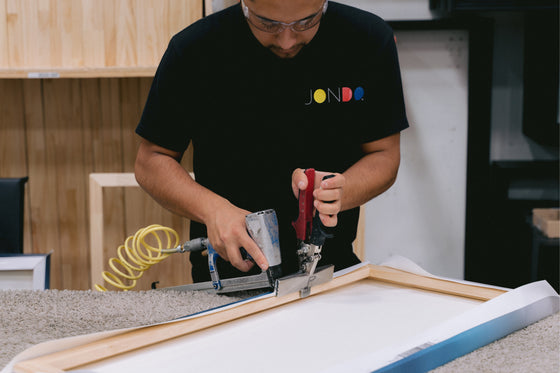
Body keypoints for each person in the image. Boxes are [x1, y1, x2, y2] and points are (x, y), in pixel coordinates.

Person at [134, 0, 409, 283]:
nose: (287, 41)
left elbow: (384, 154)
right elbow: (151, 160)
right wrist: (213, 209)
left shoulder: (367, 40)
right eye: (267, 24)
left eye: (306, 22)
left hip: (331, 272)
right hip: (229, 277)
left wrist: (342, 191)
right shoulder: (194, 49)